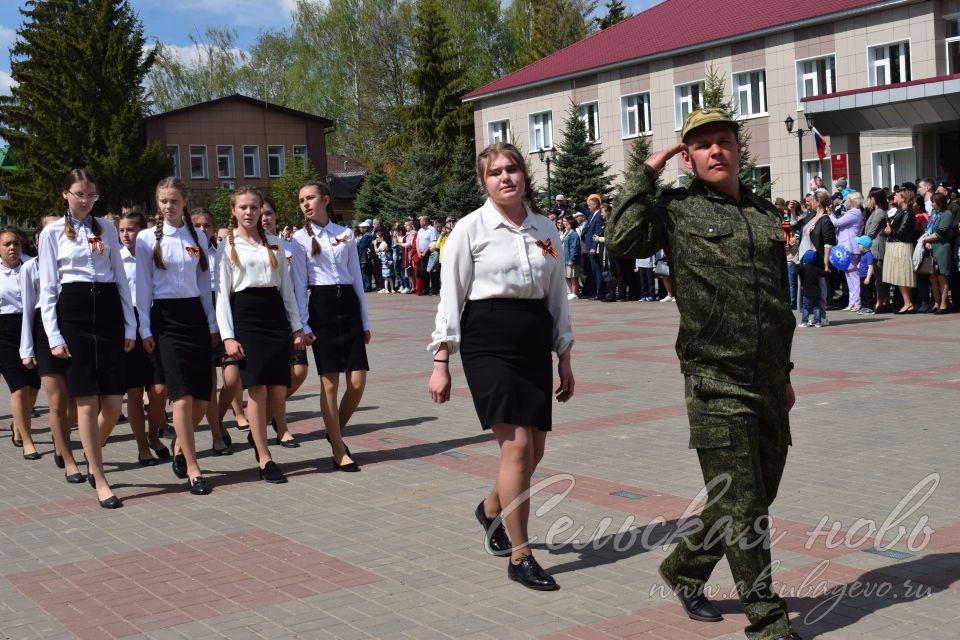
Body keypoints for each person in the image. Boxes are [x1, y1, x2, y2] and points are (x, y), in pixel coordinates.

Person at [605, 108, 800, 640]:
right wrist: (644, 174)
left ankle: (685, 569)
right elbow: (620, 242)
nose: (716, 151)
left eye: (725, 141)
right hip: (715, 381)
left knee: (754, 495)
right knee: (743, 503)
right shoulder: (675, 210)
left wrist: (783, 372)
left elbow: (777, 303)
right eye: (703, 145)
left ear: (739, 149)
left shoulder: (762, 214)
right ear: (687, 157)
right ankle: (766, 620)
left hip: (765, 380)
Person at [428, 141, 574, 592]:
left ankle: (491, 508)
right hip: (487, 337)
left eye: (512, 168)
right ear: (483, 181)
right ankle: (520, 554)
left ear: (524, 174)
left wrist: (564, 354)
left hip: (533, 336)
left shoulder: (545, 229)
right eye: (495, 173)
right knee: (516, 447)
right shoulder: (470, 230)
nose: (506, 177)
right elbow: (450, 294)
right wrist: (441, 358)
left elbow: (557, 297)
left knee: (537, 450)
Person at [38, 169, 136, 509]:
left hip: (107, 311)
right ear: (65, 193)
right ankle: (100, 476)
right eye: (80, 194)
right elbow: (49, 288)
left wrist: (130, 325)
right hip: (74, 314)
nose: (85, 200)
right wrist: (53, 335)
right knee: (86, 402)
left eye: (91, 195)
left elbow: (121, 278)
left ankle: (92, 447)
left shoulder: (106, 228)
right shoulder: (51, 233)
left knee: (112, 404)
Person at [217, 188, 305, 483]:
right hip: (246, 316)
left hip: (274, 315)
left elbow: (288, 290)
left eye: (254, 207)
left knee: (279, 389)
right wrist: (228, 336)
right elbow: (222, 297)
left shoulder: (277, 244)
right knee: (258, 390)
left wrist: (296, 326)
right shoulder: (226, 246)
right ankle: (265, 457)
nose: (249, 212)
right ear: (233, 210)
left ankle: (258, 436)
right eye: (243, 207)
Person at [136, 177, 218, 496]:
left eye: (174, 201)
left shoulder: (197, 235)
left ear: (184, 201)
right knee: (181, 395)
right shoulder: (146, 239)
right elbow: (143, 287)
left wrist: (212, 325)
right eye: (163, 201)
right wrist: (144, 328)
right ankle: (194, 469)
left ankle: (180, 446)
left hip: (195, 317)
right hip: (165, 319)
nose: (168, 206)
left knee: (201, 398)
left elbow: (205, 285)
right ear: (157, 203)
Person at [292, 181, 370, 472]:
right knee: (330, 382)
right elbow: (300, 285)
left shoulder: (346, 233)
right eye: (301, 200)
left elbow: (358, 280)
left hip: (348, 306)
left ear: (325, 200)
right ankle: (338, 448)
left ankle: (333, 427)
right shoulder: (299, 239)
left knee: (358, 382)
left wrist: (365, 320)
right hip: (321, 308)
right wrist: (303, 324)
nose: (306, 204)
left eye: (310, 198)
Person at [98, 208, 164, 465]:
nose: (126, 235)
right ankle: (142, 447)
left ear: (142, 232)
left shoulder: (151, 257)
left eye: (131, 230)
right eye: (122, 230)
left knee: (159, 389)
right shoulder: (116, 260)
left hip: (155, 321)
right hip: (128, 325)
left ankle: (153, 434)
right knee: (135, 392)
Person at [20, 213, 83, 481]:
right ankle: (67, 457)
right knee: (57, 402)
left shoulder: (74, 262)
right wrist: (27, 349)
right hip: (45, 334)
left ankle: (62, 439)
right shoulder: (30, 268)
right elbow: (27, 310)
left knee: (76, 402)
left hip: (72, 329)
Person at [260, 198, 307, 447]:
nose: (265, 218)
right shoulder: (252, 247)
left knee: (299, 372)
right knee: (276, 377)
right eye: (261, 214)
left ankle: (266, 412)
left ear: (276, 215)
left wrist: (303, 322)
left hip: (292, 316)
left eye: (269, 213)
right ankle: (282, 428)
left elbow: (299, 285)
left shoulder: (289, 248)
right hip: (265, 318)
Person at [0, 227, 41, 459]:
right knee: (19, 387)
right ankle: (27, 440)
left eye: (15, 243)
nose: (12, 248)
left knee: (34, 386)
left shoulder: (31, 266)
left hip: (31, 327)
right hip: (4, 331)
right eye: (6, 244)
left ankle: (18, 423)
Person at [882, 184, 917, 313]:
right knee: (899, 277)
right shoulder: (901, 212)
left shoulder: (908, 212)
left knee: (902, 276)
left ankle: (908, 303)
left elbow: (902, 232)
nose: (894, 196)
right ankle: (907, 303)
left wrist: (890, 231)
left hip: (901, 246)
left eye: (897, 194)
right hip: (896, 245)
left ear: (903, 198)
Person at [924, 192, 955, 314]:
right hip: (931, 247)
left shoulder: (947, 214)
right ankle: (936, 303)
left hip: (942, 247)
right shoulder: (934, 214)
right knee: (932, 276)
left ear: (940, 203)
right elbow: (928, 228)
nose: (931, 204)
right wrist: (926, 241)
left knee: (942, 276)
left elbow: (941, 232)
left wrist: (925, 239)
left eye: (933, 202)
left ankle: (944, 304)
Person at [836, 192, 864, 312]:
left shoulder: (854, 212)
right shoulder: (851, 212)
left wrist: (830, 213)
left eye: (846, 200)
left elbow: (837, 222)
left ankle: (857, 301)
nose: (844, 202)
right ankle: (852, 301)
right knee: (848, 275)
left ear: (852, 201)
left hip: (851, 247)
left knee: (853, 275)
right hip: (846, 247)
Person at [582, 194, 606, 300]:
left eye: (590, 204)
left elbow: (597, 233)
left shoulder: (599, 216)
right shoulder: (592, 215)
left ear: (595, 205)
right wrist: (572, 204)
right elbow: (584, 211)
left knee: (597, 271)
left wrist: (594, 247)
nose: (588, 207)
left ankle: (600, 292)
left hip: (593, 248)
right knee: (593, 271)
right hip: (589, 247)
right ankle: (598, 291)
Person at [797, 250, 824, 327]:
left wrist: (798, 264)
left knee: (805, 307)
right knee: (816, 307)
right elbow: (823, 274)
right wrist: (828, 271)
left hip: (807, 292)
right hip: (816, 292)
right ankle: (818, 322)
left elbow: (796, 271)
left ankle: (804, 322)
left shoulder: (803, 268)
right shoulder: (816, 268)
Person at [561, 215, 581, 300]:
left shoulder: (574, 234)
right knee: (567, 276)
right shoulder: (567, 233)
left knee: (573, 277)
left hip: (571, 259)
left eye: (566, 222)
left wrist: (572, 259)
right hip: (565, 258)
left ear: (571, 223)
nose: (564, 223)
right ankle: (570, 292)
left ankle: (574, 293)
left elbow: (574, 247)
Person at [856, 236, 876, 314]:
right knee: (862, 293)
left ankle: (869, 307)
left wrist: (868, 278)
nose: (858, 246)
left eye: (859, 244)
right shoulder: (863, 254)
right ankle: (864, 306)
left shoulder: (868, 255)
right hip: (862, 276)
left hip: (866, 277)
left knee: (867, 293)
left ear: (863, 246)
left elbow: (870, 267)